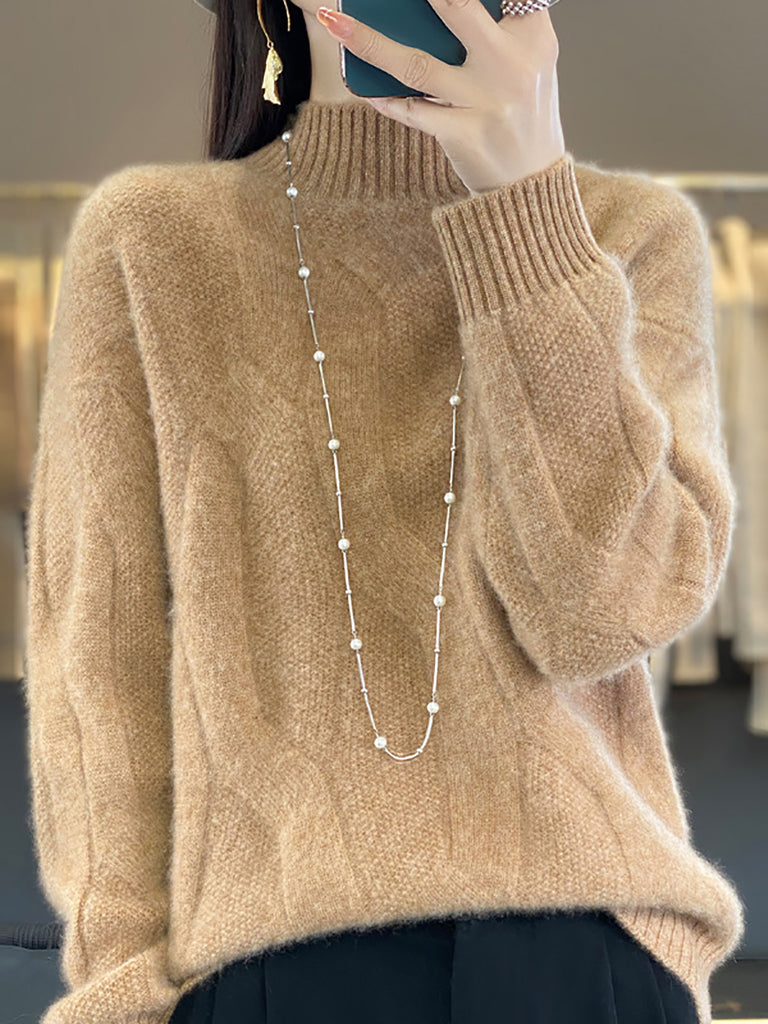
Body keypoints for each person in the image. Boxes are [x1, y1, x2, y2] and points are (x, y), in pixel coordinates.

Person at [22, 1, 745, 1022]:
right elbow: (99, 660)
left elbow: (598, 614)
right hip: (273, 966)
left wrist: (527, 212)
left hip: (586, 957)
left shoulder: (628, 235)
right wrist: (118, 996)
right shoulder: (151, 241)